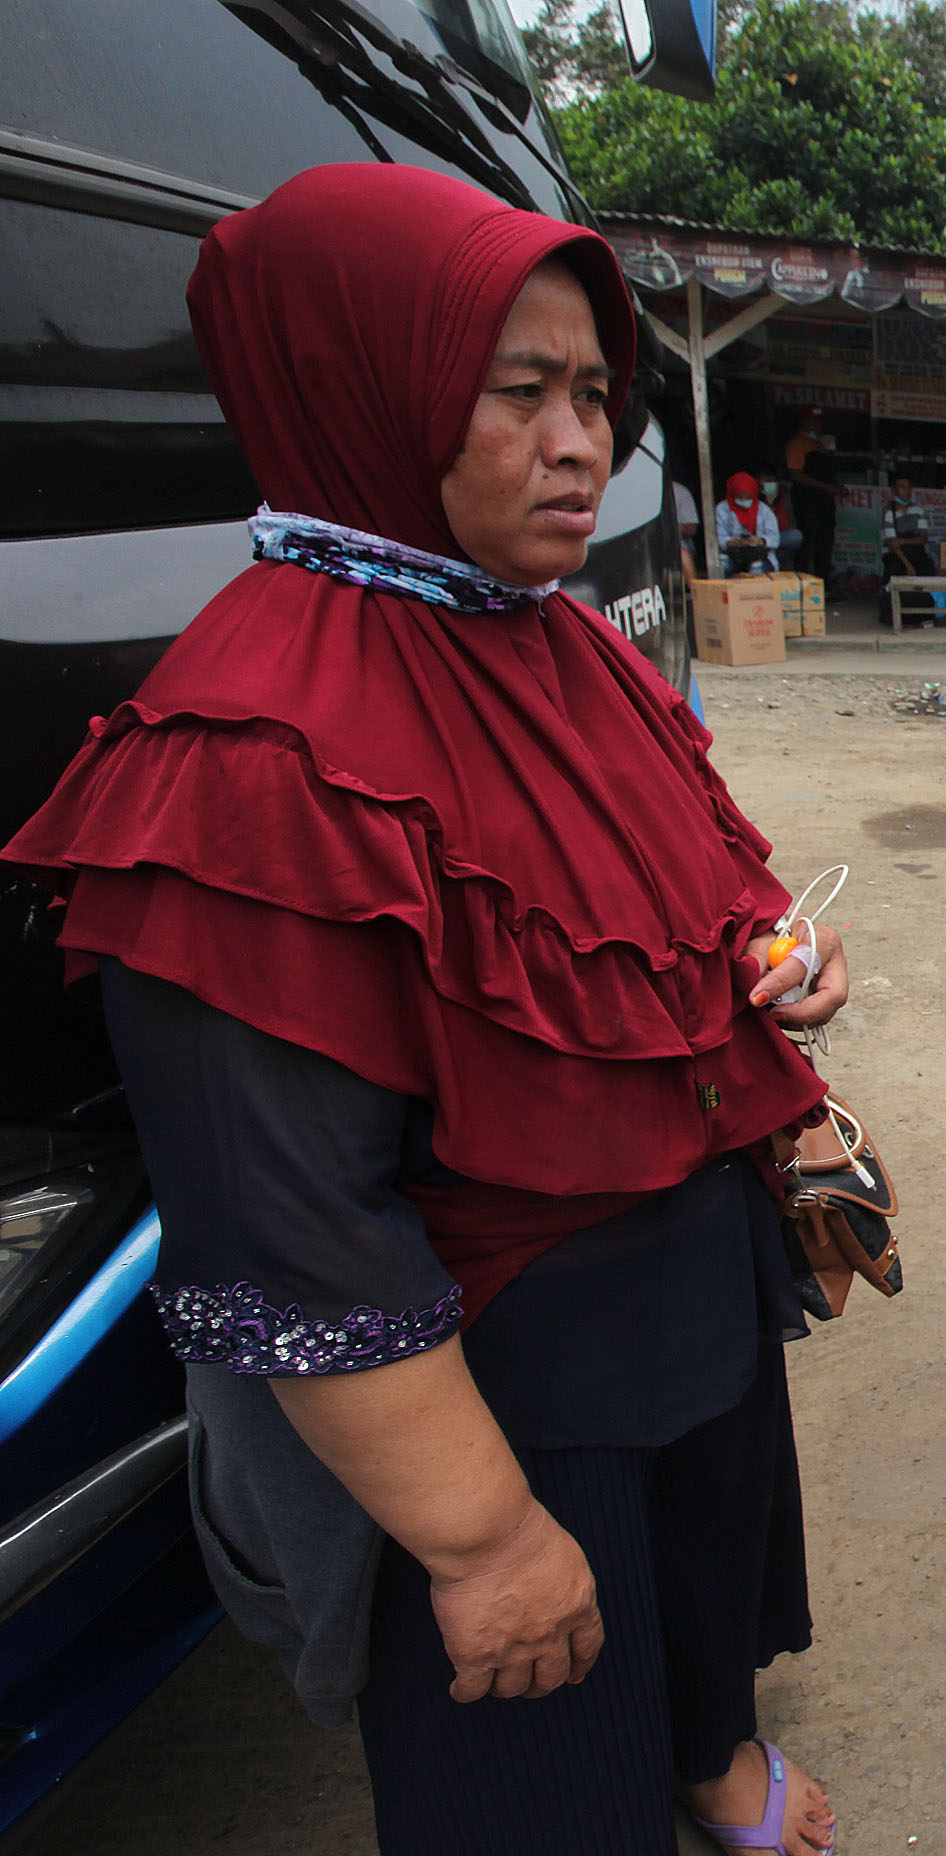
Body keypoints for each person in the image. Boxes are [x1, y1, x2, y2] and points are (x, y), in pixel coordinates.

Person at [3, 163, 847, 1856]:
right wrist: (474, 1536)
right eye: (517, 392)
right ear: (356, 389)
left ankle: (707, 1752)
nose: (577, 442)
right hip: (500, 1382)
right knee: (537, 1741)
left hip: (686, 1295)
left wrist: (777, 958)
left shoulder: (564, 643)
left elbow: (704, 882)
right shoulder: (249, 748)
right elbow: (291, 1223)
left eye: (595, 392)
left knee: (695, 1605)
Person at [781, 406, 837, 581]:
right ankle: (803, 582)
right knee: (807, 542)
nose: (817, 424)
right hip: (807, 500)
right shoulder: (797, 443)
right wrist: (825, 487)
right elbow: (796, 474)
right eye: (814, 420)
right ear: (804, 421)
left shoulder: (819, 444)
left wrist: (834, 487)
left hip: (824, 501)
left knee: (825, 542)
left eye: (819, 421)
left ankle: (823, 584)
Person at [716, 470, 782, 573]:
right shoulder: (722, 509)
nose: (743, 500)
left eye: (747, 497)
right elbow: (718, 537)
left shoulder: (764, 510)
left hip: (759, 556)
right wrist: (731, 542)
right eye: (740, 497)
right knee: (721, 564)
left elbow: (774, 538)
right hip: (732, 555)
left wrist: (760, 541)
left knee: (757, 568)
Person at [880, 474, 934, 578]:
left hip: (916, 554)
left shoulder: (918, 511)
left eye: (909, 487)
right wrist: (908, 566)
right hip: (897, 555)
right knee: (894, 568)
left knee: (928, 567)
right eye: (903, 487)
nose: (907, 491)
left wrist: (902, 541)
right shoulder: (889, 512)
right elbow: (892, 544)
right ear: (894, 490)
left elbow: (924, 538)